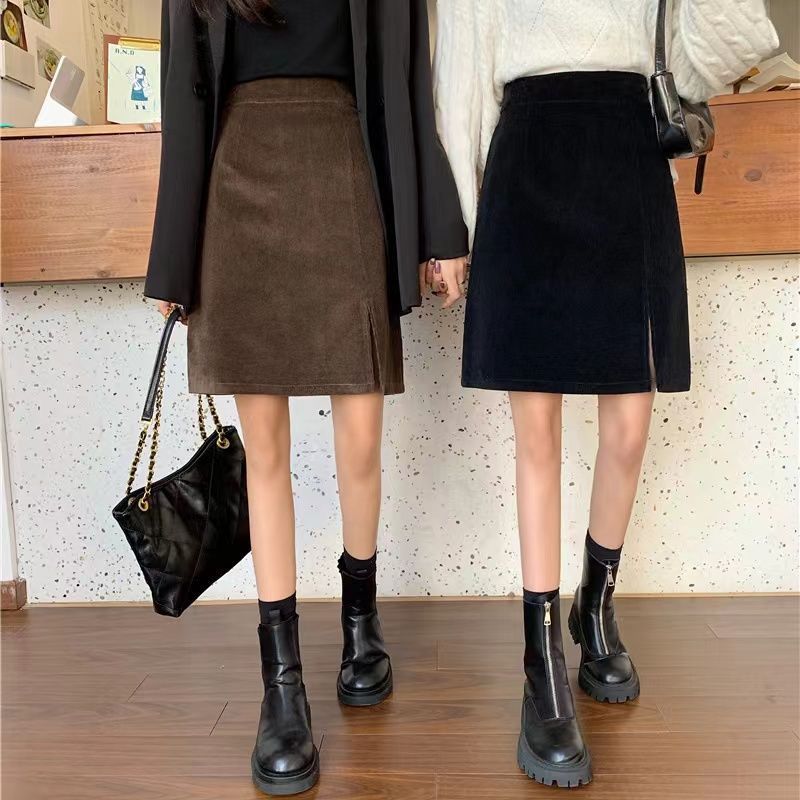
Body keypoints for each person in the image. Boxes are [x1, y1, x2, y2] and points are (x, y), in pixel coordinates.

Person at [434, 0, 777, 788]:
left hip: (629, 160)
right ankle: (541, 661)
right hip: (528, 162)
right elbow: (460, 81)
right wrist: (456, 227)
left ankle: (595, 603)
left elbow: (713, 47)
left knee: (628, 427)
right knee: (537, 437)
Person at [145, 0, 468, 794]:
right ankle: (282, 685)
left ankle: (361, 618)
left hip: (344, 171)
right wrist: (173, 256)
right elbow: (184, 90)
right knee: (265, 456)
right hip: (236, 187)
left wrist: (440, 230)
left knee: (360, 438)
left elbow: (411, 83)